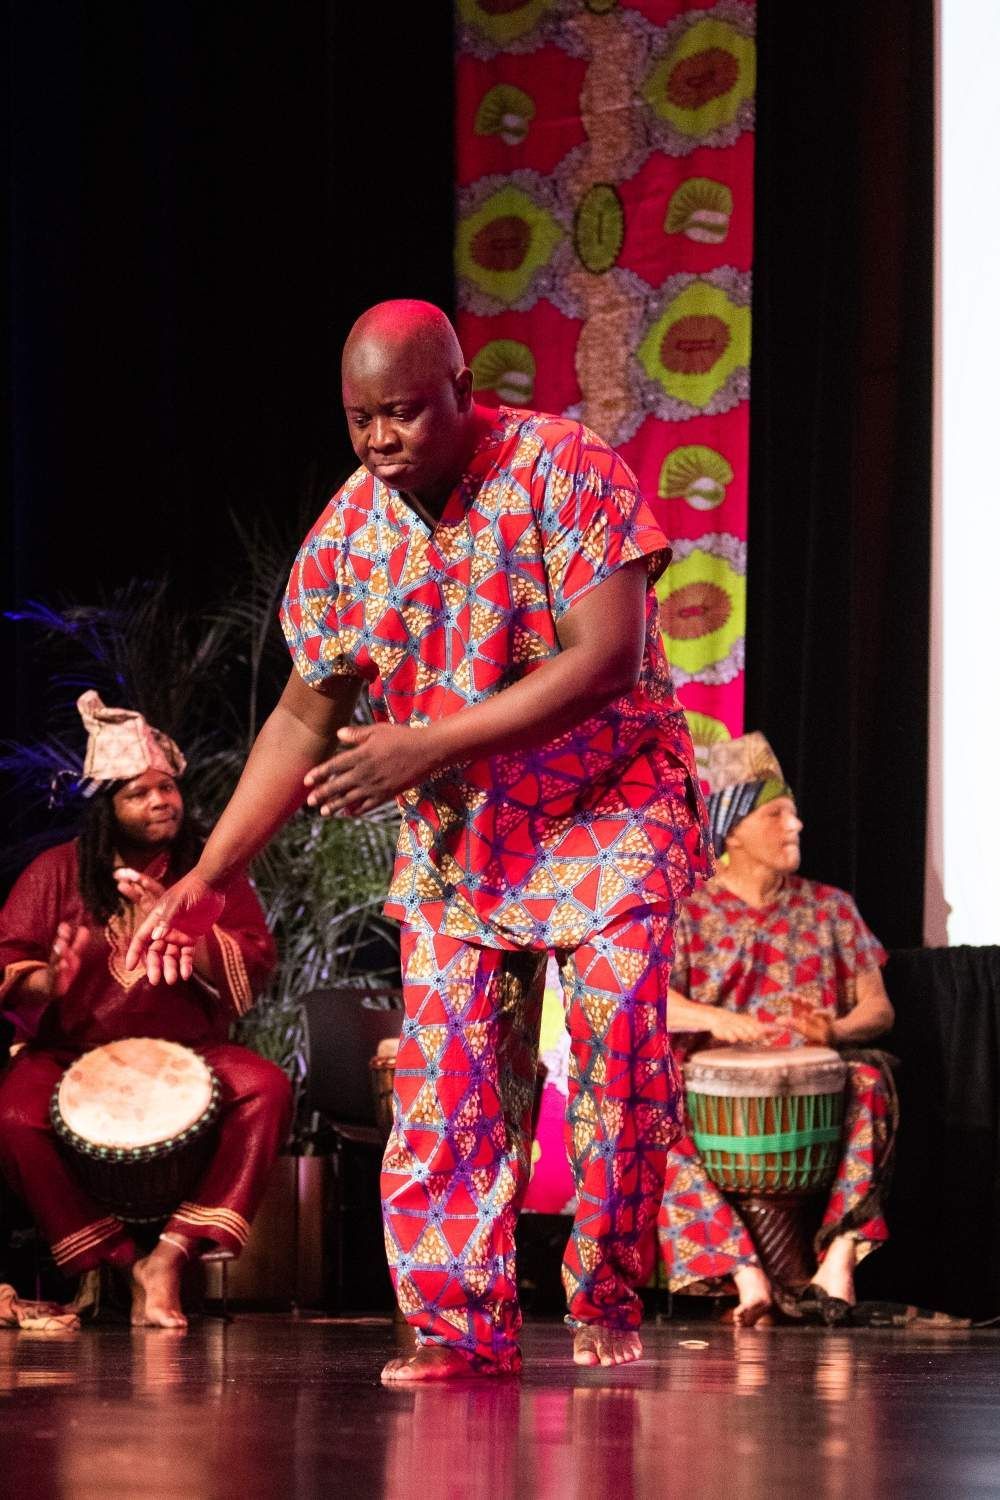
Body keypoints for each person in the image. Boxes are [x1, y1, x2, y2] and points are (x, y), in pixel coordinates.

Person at [126, 299, 712, 1380]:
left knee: (618, 1059)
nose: (380, 440)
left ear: (460, 393)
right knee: (446, 1083)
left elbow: (606, 658)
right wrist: (213, 872)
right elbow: (304, 716)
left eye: (402, 413)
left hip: (608, 806)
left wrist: (426, 745)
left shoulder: (560, 466)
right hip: (466, 836)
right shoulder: (350, 536)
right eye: (360, 420)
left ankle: (607, 1291)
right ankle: (459, 1329)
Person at [0, 693, 291, 1328]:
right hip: (68, 1054)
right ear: (107, 809)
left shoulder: (208, 873)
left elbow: (254, 964)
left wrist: (195, 933)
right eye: (140, 792)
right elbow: (9, 965)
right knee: (14, 1116)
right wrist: (46, 979)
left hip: (191, 1054)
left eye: (168, 787)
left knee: (266, 1088)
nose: (163, 800)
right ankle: (111, 1255)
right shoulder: (54, 874)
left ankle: (168, 1256)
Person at [656, 733, 896, 1325]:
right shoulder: (689, 911)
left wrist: (836, 1030)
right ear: (733, 830)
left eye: (791, 812)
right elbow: (652, 1003)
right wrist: (718, 1019)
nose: (797, 825)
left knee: (872, 1078)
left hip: (818, 1077)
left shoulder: (832, 907)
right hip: (713, 1088)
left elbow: (879, 1009)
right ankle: (745, 1274)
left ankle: (839, 1255)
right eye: (777, 814)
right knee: (650, 1110)